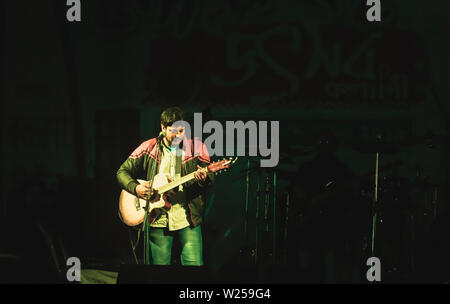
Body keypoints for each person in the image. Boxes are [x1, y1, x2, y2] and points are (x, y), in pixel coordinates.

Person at [116, 106, 214, 266]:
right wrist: (136, 188)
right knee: (159, 273)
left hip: (187, 218)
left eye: (182, 130)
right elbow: (122, 172)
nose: (178, 135)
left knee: (194, 268)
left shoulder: (197, 148)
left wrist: (204, 178)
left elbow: (210, 178)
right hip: (158, 217)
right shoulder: (148, 147)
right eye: (173, 130)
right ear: (163, 127)